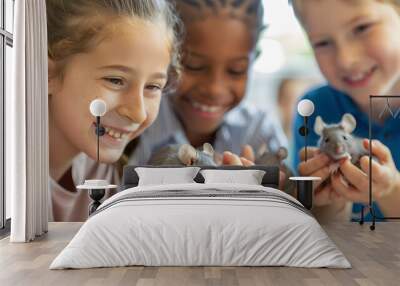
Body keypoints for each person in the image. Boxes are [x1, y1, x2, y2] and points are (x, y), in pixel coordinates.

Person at [47, 0, 182, 221]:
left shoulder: (101, 170)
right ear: (47, 73)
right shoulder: (10, 188)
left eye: (153, 86)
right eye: (115, 80)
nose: (137, 113)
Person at [127, 0, 288, 169]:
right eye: (194, 66)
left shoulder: (259, 133)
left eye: (236, 70)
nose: (214, 89)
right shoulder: (133, 125)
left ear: (254, 60)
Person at [291, 0, 400, 222]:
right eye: (322, 43)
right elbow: (322, 231)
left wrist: (390, 191)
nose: (346, 59)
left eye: (362, 28)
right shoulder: (314, 108)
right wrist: (329, 197)